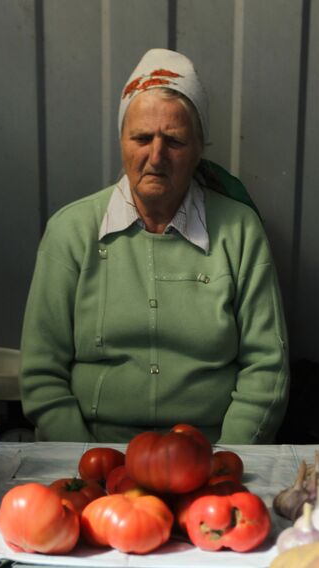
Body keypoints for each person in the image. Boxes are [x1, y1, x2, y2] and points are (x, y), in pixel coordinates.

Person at [20, 48, 289, 444]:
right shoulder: (71, 231)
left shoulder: (239, 231)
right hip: (93, 455)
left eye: (175, 141)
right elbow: (41, 375)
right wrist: (85, 465)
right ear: (122, 142)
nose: (156, 157)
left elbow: (266, 368)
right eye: (142, 138)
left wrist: (228, 460)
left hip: (209, 453)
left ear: (200, 149)